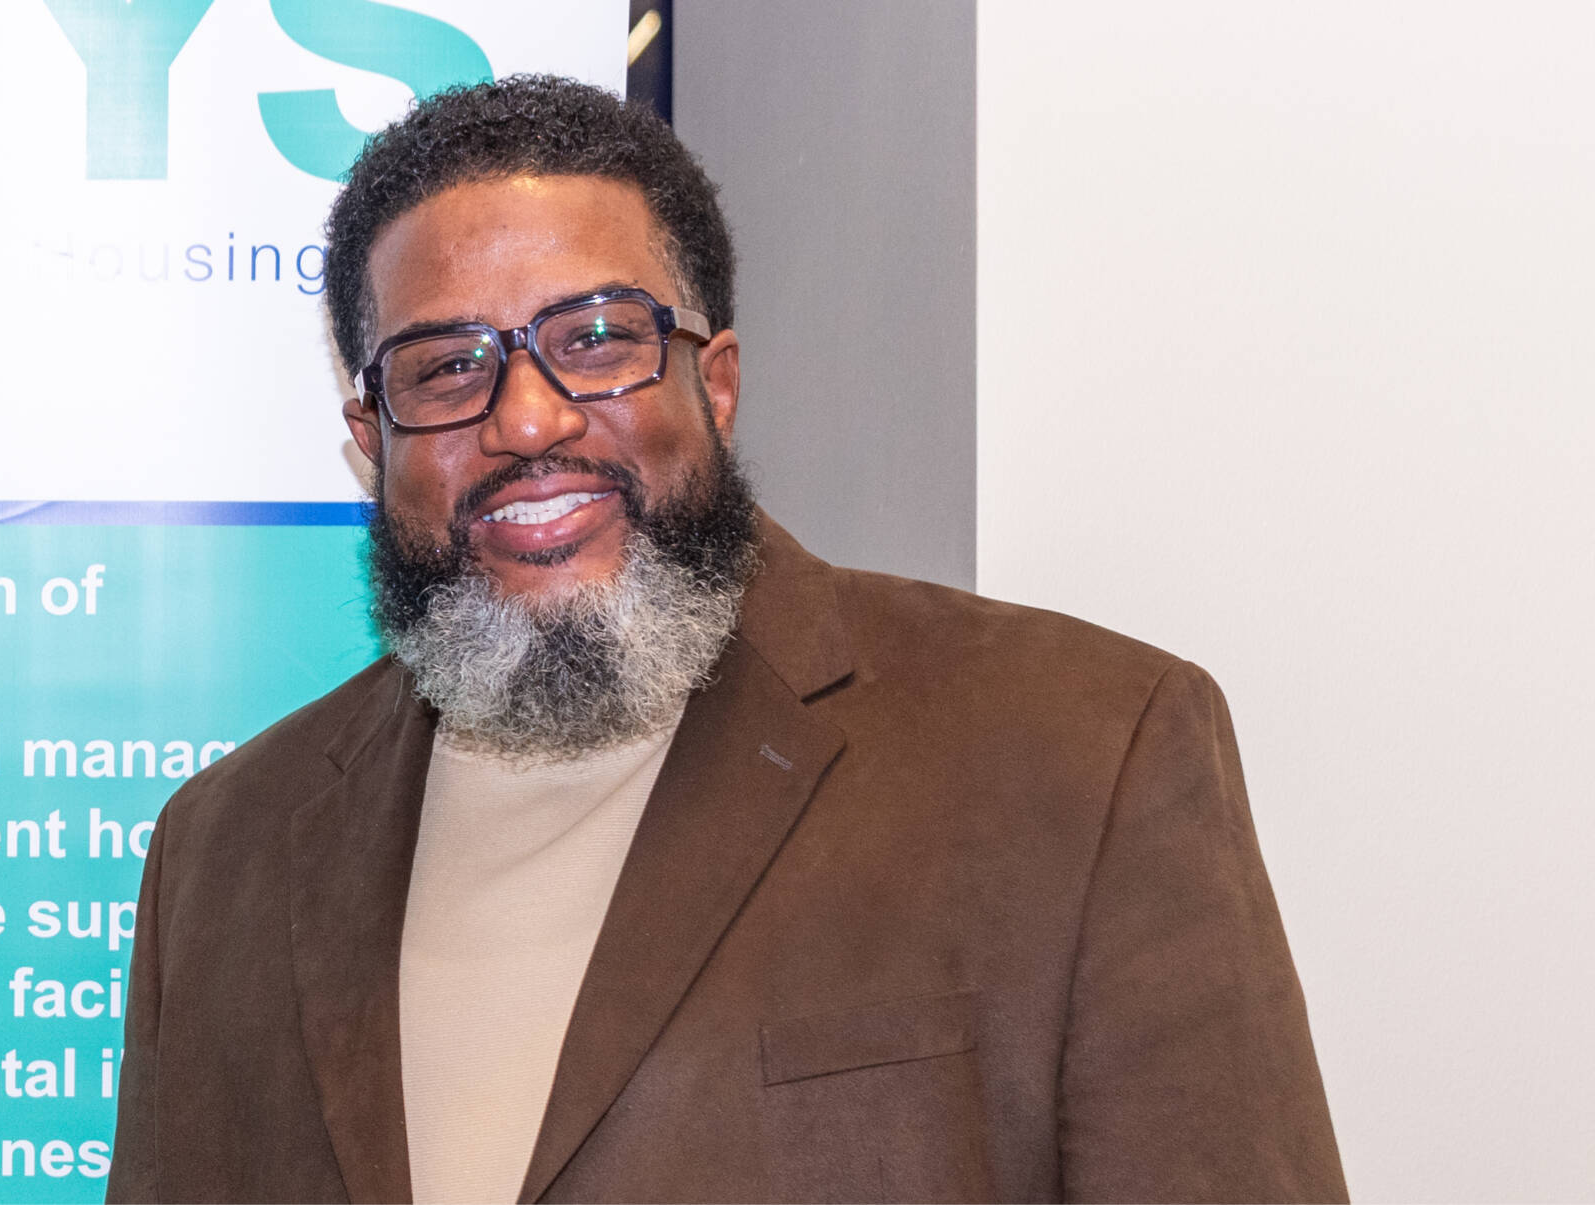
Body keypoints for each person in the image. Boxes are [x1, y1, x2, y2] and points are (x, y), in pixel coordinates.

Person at [107, 75, 1346, 1204]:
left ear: (718, 382)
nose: (529, 420)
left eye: (595, 339)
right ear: (372, 442)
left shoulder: (1083, 755)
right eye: (445, 368)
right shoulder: (224, 853)